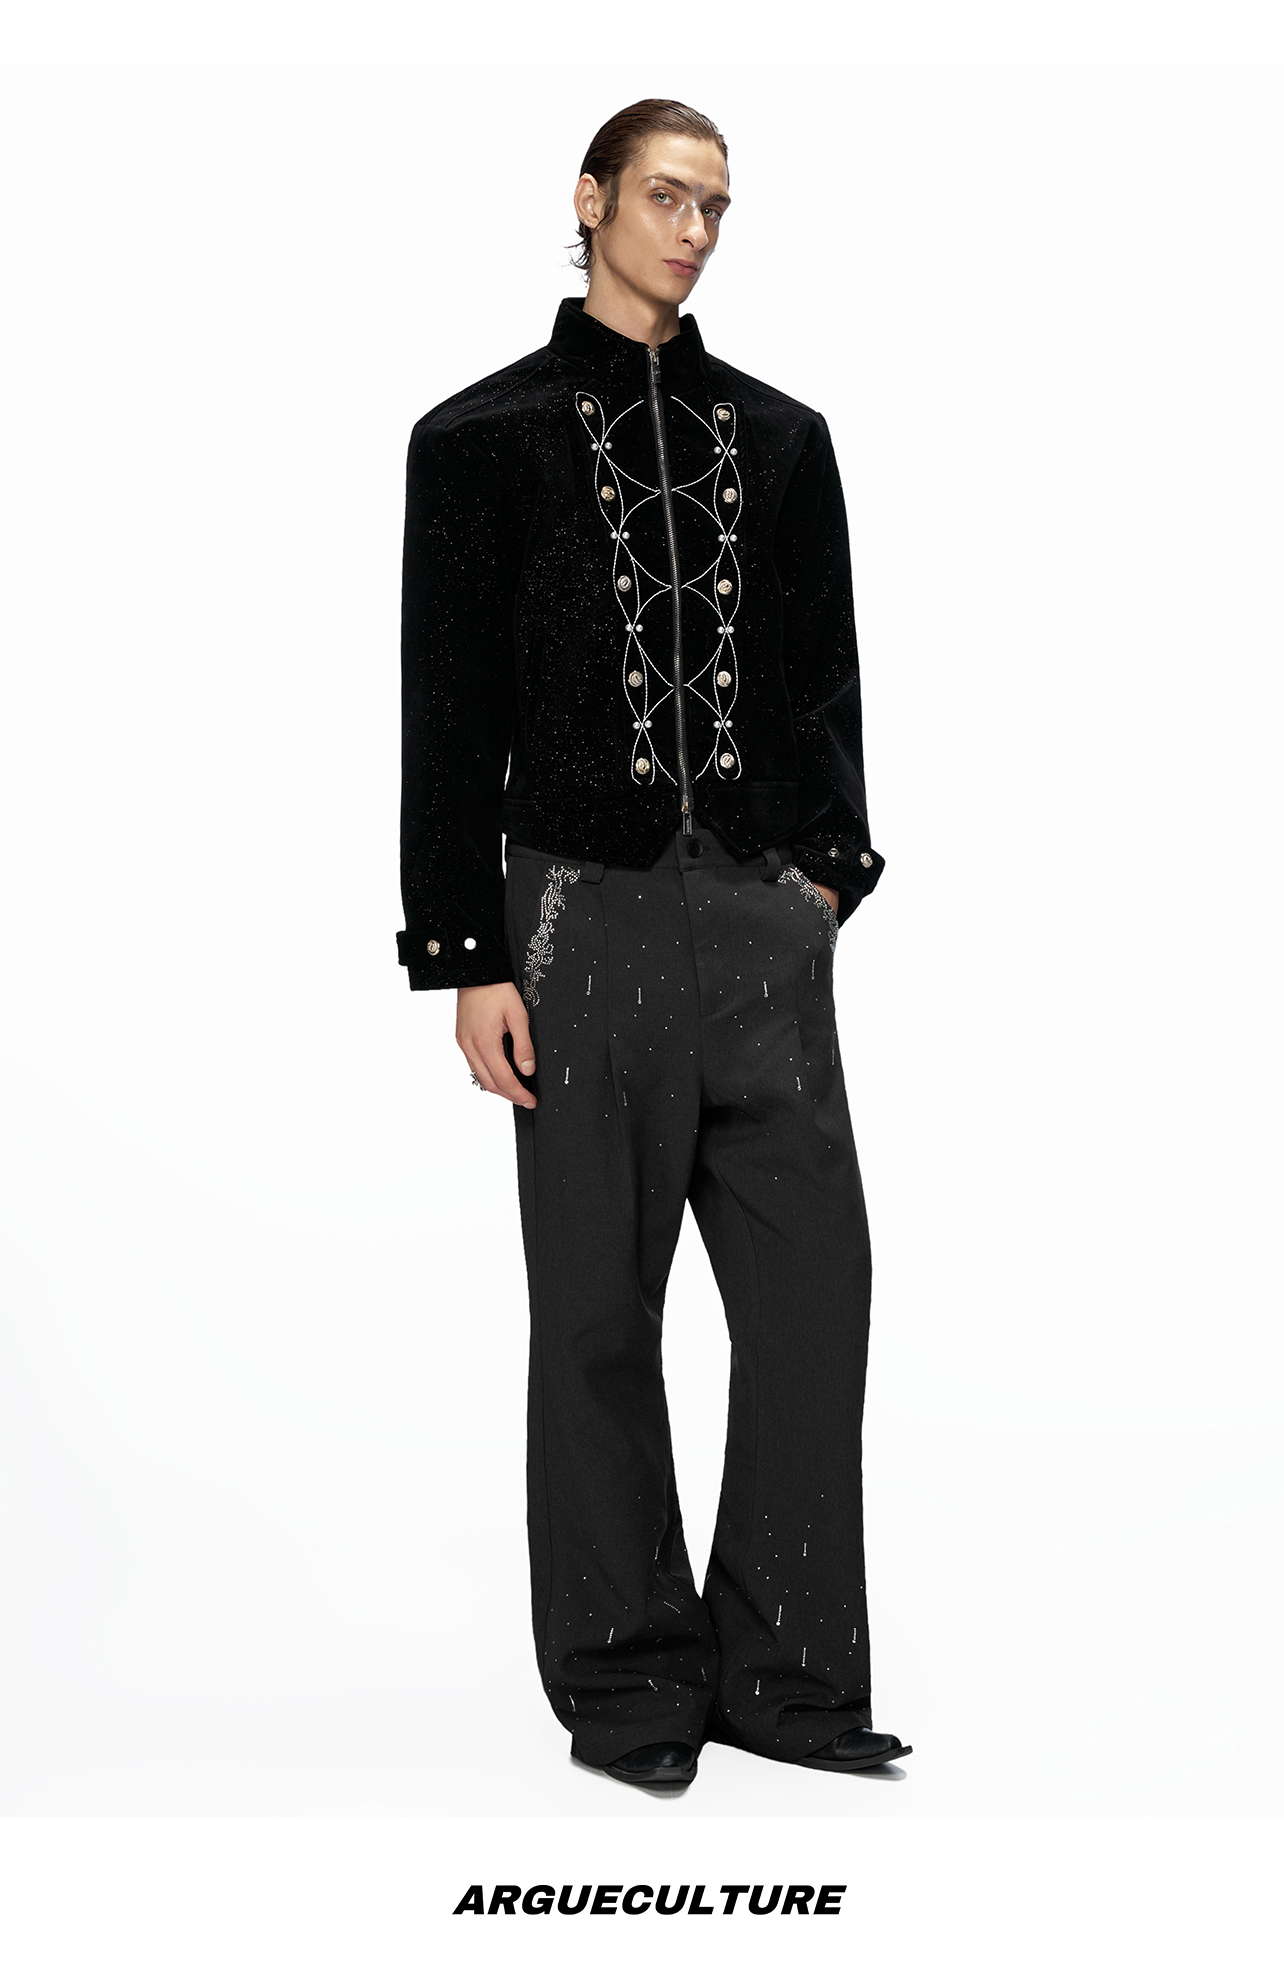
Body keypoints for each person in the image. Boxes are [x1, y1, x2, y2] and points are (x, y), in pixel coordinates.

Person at [395, 97, 909, 1789]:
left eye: (717, 206)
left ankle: (790, 1679)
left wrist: (822, 881)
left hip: (759, 928)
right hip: (576, 920)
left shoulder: (785, 439)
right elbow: (447, 715)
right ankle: (628, 1687)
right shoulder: (478, 440)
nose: (694, 230)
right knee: (597, 1318)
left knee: (814, 1297)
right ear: (593, 198)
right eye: (669, 196)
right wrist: (468, 954)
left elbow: (827, 683)